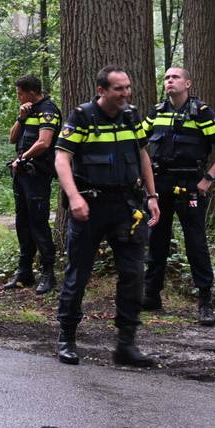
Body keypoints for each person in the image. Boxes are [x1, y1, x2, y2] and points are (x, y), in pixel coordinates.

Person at [53, 66, 160, 367]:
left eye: (127, 87)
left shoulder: (131, 116)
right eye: (118, 89)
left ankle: (126, 345)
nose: (125, 93)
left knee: (133, 274)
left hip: (127, 206)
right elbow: (62, 158)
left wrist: (152, 197)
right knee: (79, 273)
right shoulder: (82, 117)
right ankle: (67, 338)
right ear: (101, 90)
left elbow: (142, 156)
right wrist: (74, 197)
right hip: (90, 206)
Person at [143, 66, 215, 326]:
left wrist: (207, 180)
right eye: (166, 78)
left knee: (196, 243)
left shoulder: (202, 113)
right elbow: (138, 143)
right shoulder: (157, 112)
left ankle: (205, 302)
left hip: (190, 184)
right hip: (160, 183)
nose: (169, 81)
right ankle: (151, 295)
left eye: (175, 77)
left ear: (188, 84)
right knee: (156, 239)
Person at [5, 75, 61, 295]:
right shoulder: (27, 111)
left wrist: (23, 158)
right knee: (22, 221)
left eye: (19, 93)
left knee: (38, 223)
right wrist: (20, 118)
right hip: (21, 174)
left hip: (37, 173)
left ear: (30, 92)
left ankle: (48, 273)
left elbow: (44, 142)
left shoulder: (48, 110)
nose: (18, 97)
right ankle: (25, 271)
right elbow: (12, 139)